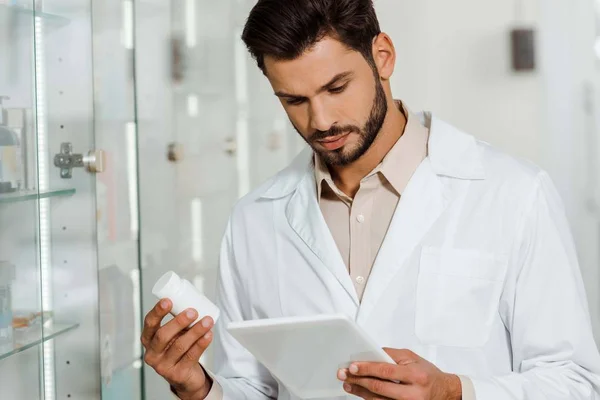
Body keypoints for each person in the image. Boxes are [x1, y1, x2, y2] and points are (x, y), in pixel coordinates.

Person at [141, 0, 600, 399]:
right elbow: (257, 389)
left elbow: (576, 383)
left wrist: (456, 392)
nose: (320, 120)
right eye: (293, 100)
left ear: (382, 56)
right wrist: (199, 387)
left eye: (336, 88)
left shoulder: (512, 194)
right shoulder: (254, 221)